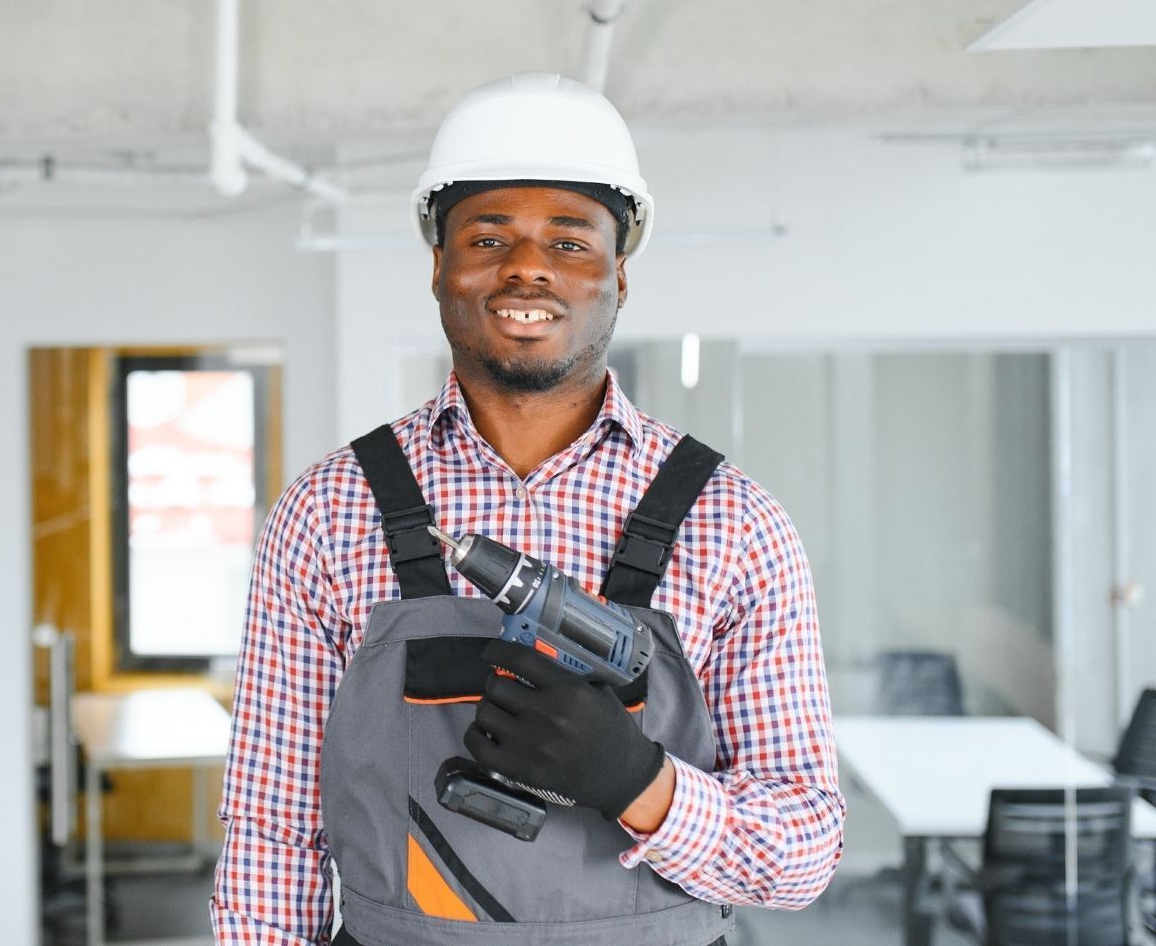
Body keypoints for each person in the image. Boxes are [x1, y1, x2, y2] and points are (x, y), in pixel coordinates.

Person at [211, 73, 844, 946]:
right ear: (440, 264)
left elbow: (804, 854)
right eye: (488, 235)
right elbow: (272, 829)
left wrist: (639, 782)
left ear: (620, 272)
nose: (528, 267)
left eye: (571, 241)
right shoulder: (330, 509)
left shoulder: (734, 521)